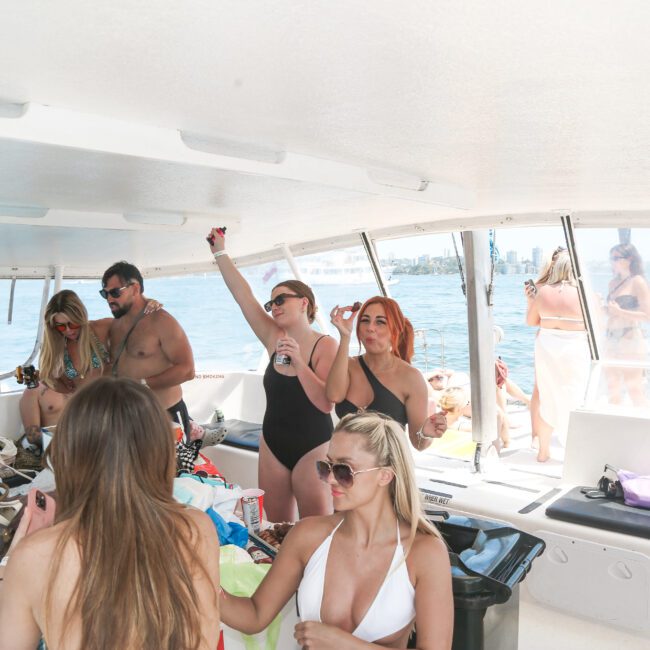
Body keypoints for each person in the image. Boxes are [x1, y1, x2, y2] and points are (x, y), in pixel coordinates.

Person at [0, 377, 220, 649]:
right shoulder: (196, 528)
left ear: (68, 456)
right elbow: (205, 637)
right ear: (160, 452)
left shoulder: (35, 556)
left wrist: (15, 558)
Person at [220, 412, 453, 649]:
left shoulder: (424, 553)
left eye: (344, 470)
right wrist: (198, 580)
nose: (330, 479)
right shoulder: (307, 535)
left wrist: (342, 643)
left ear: (385, 476)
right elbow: (255, 614)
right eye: (326, 466)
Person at [207, 228, 338, 521]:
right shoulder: (272, 337)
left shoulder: (325, 345)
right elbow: (243, 296)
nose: (273, 307)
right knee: (275, 525)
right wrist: (219, 251)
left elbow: (326, 403)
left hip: (312, 446)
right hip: (273, 443)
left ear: (304, 302)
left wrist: (299, 363)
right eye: (271, 303)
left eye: (281, 300)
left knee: (314, 527)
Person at [328, 297, 447, 450]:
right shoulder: (348, 365)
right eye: (365, 320)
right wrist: (344, 336)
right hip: (345, 469)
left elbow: (418, 444)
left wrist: (427, 433)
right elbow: (334, 396)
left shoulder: (411, 377)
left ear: (395, 330)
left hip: (387, 469)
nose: (370, 328)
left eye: (380, 322)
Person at [102, 261, 196, 438]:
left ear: (135, 289)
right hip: (128, 419)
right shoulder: (113, 326)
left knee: (169, 467)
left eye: (115, 293)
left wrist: (142, 385)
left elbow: (187, 370)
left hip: (164, 416)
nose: (109, 299)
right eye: (104, 294)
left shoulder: (162, 322)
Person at [526, 250, 589, 462]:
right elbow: (598, 324)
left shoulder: (542, 292)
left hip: (546, 348)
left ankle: (543, 452)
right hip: (575, 349)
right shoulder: (584, 293)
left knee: (547, 397)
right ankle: (576, 452)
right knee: (576, 397)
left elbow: (531, 321)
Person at [525, 247, 564, 446]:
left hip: (550, 340)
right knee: (540, 388)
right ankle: (535, 434)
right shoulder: (541, 285)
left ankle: (544, 432)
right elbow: (533, 319)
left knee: (548, 388)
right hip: (547, 340)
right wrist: (530, 300)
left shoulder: (561, 286)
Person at [604, 243, 650, 407]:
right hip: (610, 339)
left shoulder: (638, 282)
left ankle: (644, 430)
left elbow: (647, 315)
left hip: (630, 338)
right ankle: (613, 429)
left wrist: (620, 312)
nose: (612, 262)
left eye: (616, 258)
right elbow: (611, 313)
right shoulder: (613, 283)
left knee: (634, 389)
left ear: (630, 259)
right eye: (611, 258)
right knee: (612, 388)